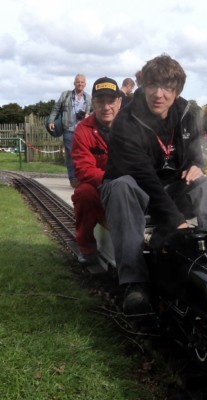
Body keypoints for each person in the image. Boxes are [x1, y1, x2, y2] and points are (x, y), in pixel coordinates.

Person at [100, 54, 207, 315]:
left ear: (177, 90)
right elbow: (145, 178)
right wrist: (178, 225)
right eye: (152, 85)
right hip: (134, 192)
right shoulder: (125, 122)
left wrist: (196, 165)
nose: (158, 94)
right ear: (143, 86)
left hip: (172, 190)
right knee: (122, 186)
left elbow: (194, 152)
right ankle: (134, 283)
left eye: (167, 88)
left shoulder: (184, 114)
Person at [71, 77, 122, 265]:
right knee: (84, 193)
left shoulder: (131, 127)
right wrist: (112, 181)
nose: (106, 106)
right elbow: (84, 169)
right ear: (93, 103)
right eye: (101, 101)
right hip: (99, 187)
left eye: (111, 101)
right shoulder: (82, 130)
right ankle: (86, 248)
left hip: (127, 185)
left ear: (119, 102)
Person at [48, 74, 92, 188]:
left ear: (85, 84)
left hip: (82, 130)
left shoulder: (88, 98)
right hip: (68, 129)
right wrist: (51, 121)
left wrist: (88, 115)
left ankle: (81, 176)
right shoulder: (66, 95)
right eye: (78, 82)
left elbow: (94, 112)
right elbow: (56, 108)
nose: (80, 84)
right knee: (71, 154)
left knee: (82, 154)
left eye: (82, 82)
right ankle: (73, 178)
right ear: (74, 83)